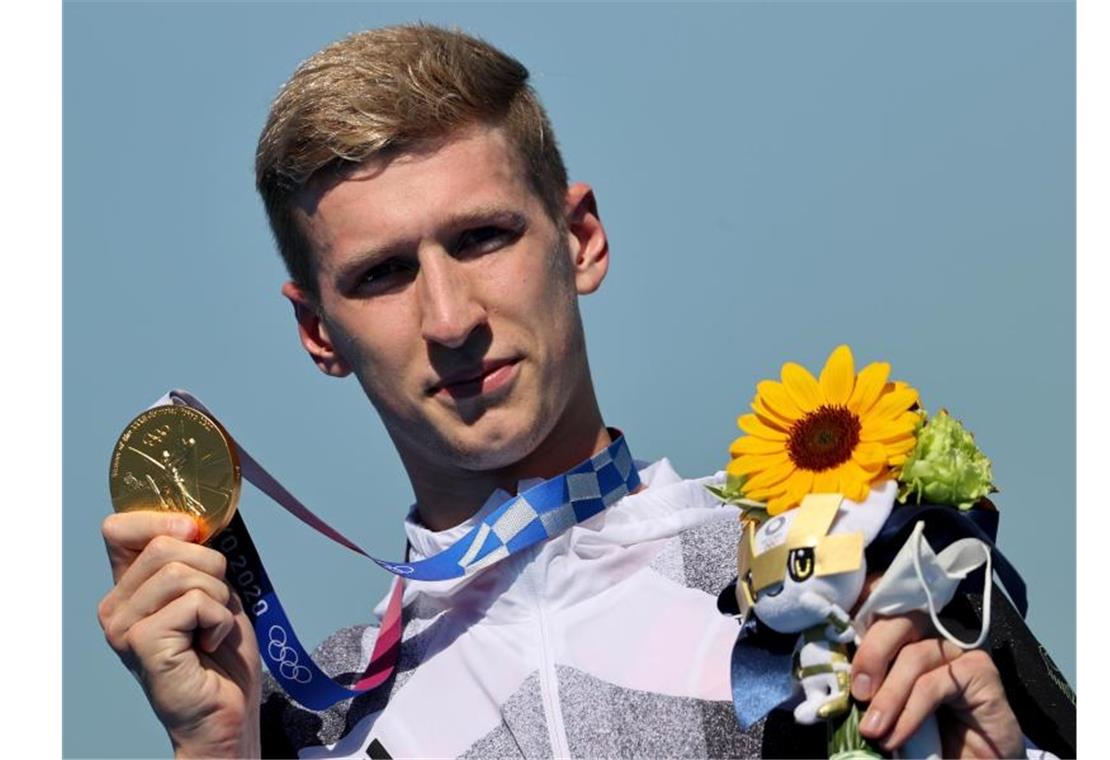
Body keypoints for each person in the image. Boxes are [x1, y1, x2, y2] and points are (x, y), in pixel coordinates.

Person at [98, 24, 1037, 758]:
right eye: (382, 274)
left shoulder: (826, 566)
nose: (449, 316)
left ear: (580, 238)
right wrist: (213, 749)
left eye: (481, 238)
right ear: (318, 331)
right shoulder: (308, 716)